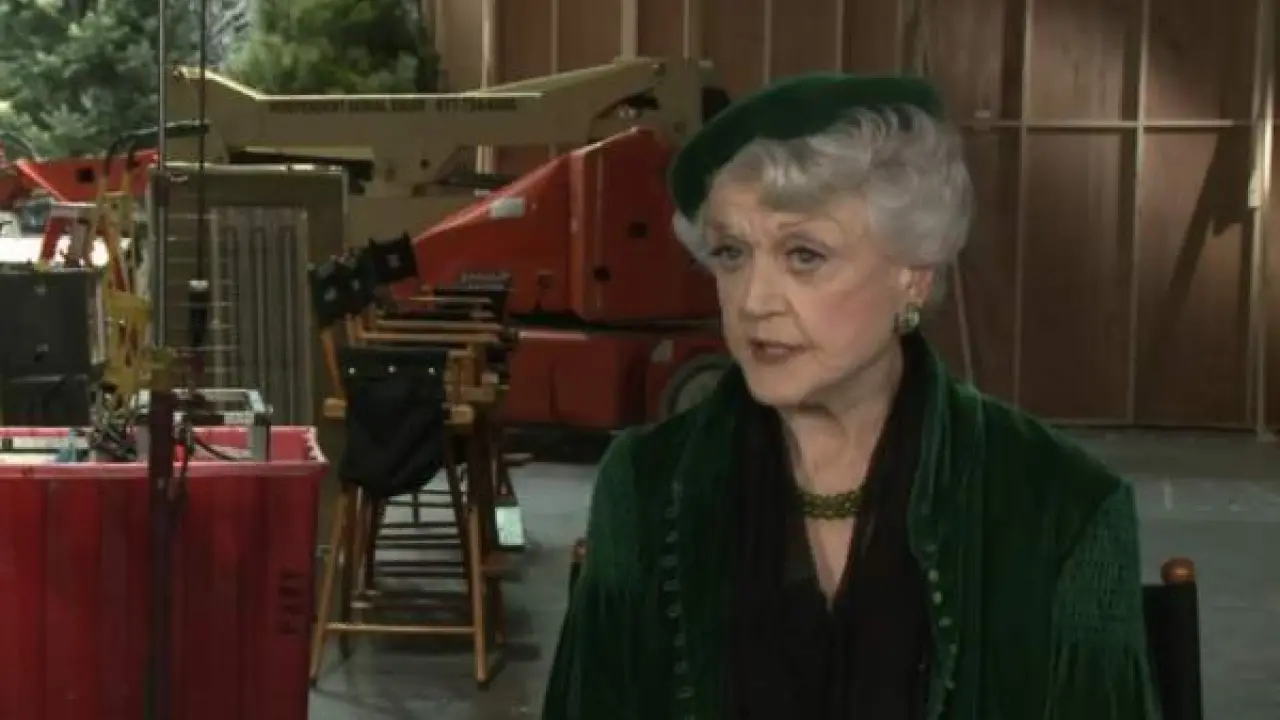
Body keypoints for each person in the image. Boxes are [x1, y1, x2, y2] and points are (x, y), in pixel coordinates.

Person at [542, 73, 1158, 720]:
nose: (753, 301)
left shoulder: (1063, 504)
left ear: (913, 276)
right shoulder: (645, 484)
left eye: (804, 255)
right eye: (731, 254)